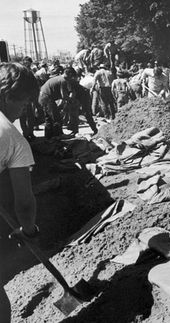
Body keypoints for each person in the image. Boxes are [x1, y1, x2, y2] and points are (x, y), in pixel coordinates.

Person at [0, 62, 40, 323]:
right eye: (24, 104)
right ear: (7, 96)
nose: (23, 111)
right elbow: (24, 203)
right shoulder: (13, 138)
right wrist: (28, 230)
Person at [38, 67, 78, 138]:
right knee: (56, 117)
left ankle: (49, 137)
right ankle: (58, 135)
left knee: (49, 119)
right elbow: (64, 95)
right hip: (47, 97)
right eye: (72, 77)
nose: (71, 79)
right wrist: (71, 100)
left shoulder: (59, 78)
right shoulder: (63, 81)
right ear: (69, 74)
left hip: (43, 96)